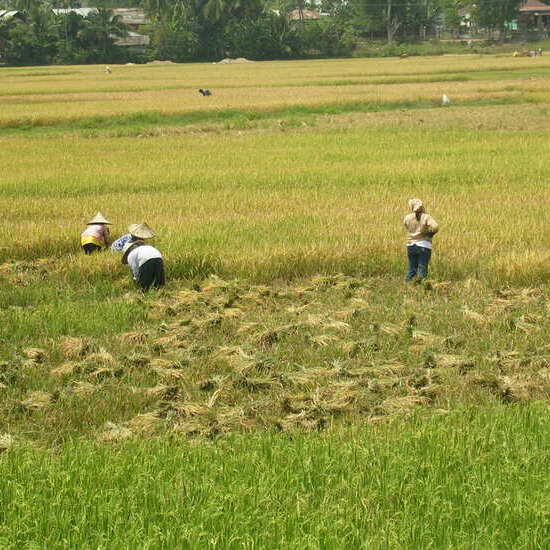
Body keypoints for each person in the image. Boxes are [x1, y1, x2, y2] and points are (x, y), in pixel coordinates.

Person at [403, 199, 439, 282]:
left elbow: (406, 225)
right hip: (424, 245)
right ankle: (421, 286)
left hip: (410, 245)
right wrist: (429, 233)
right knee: (422, 267)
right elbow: (436, 227)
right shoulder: (426, 217)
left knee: (412, 268)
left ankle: (408, 286)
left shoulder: (407, 217)